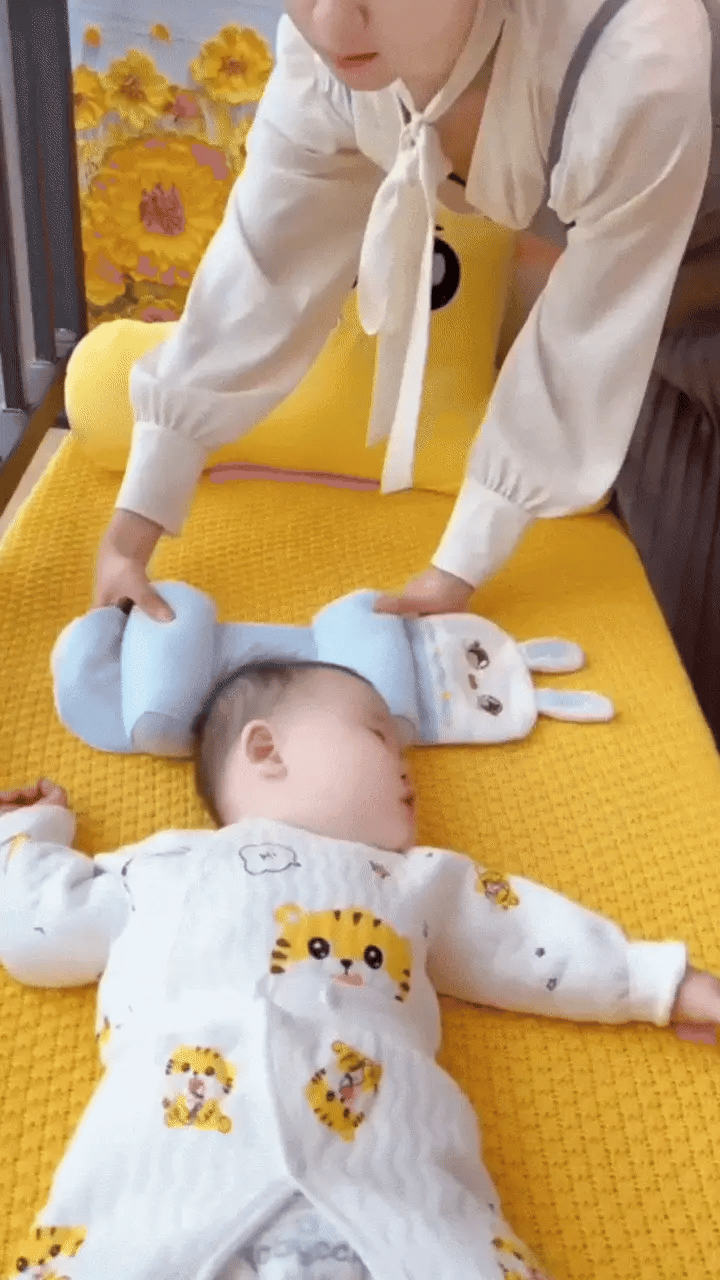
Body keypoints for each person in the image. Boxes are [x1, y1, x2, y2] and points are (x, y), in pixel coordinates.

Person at [2, 659, 720, 1279]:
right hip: (163, 1182)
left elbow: (523, 937)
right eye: (379, 734)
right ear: (266, 749)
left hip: (395, 1189)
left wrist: (663, 984)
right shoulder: (159, 865)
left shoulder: (413, 879)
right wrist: (27, 831)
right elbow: (38, 928)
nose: (408, 767)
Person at [92, 0, 719, 658]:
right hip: (642, 290)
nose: (332, 25)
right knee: (675, 594)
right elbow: (265, 267)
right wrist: (132, 530)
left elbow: (581, 340)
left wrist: (457, 569)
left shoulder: (635, 53)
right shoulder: (327, 58)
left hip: (680, 246)